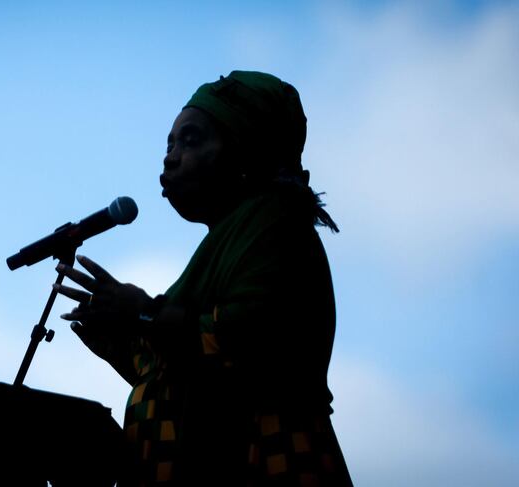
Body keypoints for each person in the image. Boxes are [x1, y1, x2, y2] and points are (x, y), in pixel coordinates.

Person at [54, 71, 352, 486]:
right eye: (169, 144)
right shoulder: (234, 235)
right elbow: (188, 364)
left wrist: (142, 314)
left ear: (244, 151)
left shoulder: (274, 221)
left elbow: (248, 343)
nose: (170, 157)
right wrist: (122, 343)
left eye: (191, 141)